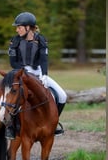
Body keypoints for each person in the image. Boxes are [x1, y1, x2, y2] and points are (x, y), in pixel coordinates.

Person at [5, 11, 67, 139]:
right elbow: (13, 62)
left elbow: (44, 59)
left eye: (19, 27)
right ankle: (10, 127)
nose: (17, 30)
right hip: (20, 72)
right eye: (17, 27)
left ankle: (53, 123)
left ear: (28, 27)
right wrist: (23, 72)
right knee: (11, 97)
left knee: (62, 95)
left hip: (38, 72)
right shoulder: (14, 41)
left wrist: (44, 75)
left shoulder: (41, 40)